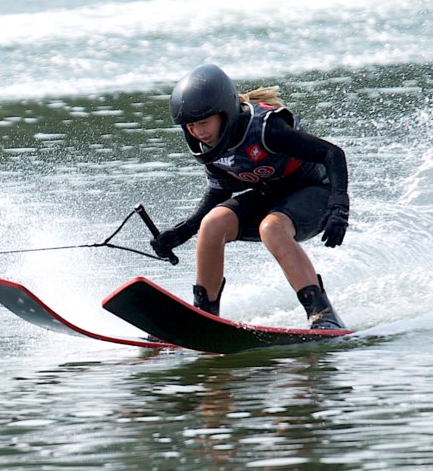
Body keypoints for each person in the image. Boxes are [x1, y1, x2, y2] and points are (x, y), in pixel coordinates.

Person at [149, 63, 350, 330]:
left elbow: (332, 154)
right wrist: (181, 232)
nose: (198, 132)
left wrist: (339, 207)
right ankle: (205, 316)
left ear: (225, 113)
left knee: (272, 228)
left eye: (203, 122)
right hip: (271, 196)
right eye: (191, 126)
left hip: (316, 194)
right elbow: (219, 192)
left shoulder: (267, 129)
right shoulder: (211, 144)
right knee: (212, 224)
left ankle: (323, 315)